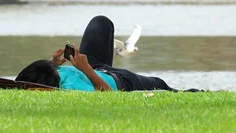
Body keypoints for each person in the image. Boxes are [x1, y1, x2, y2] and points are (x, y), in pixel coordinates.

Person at [16, 16, 196, 92]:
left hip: (93, 68)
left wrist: (54, 62)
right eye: (52, 69)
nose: (54, 67)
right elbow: (109, 95)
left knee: (100, 23)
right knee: (160, 84)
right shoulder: (72, 87)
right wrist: (86, 69)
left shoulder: (49, 74)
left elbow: (39, 77)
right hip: (119, 80)